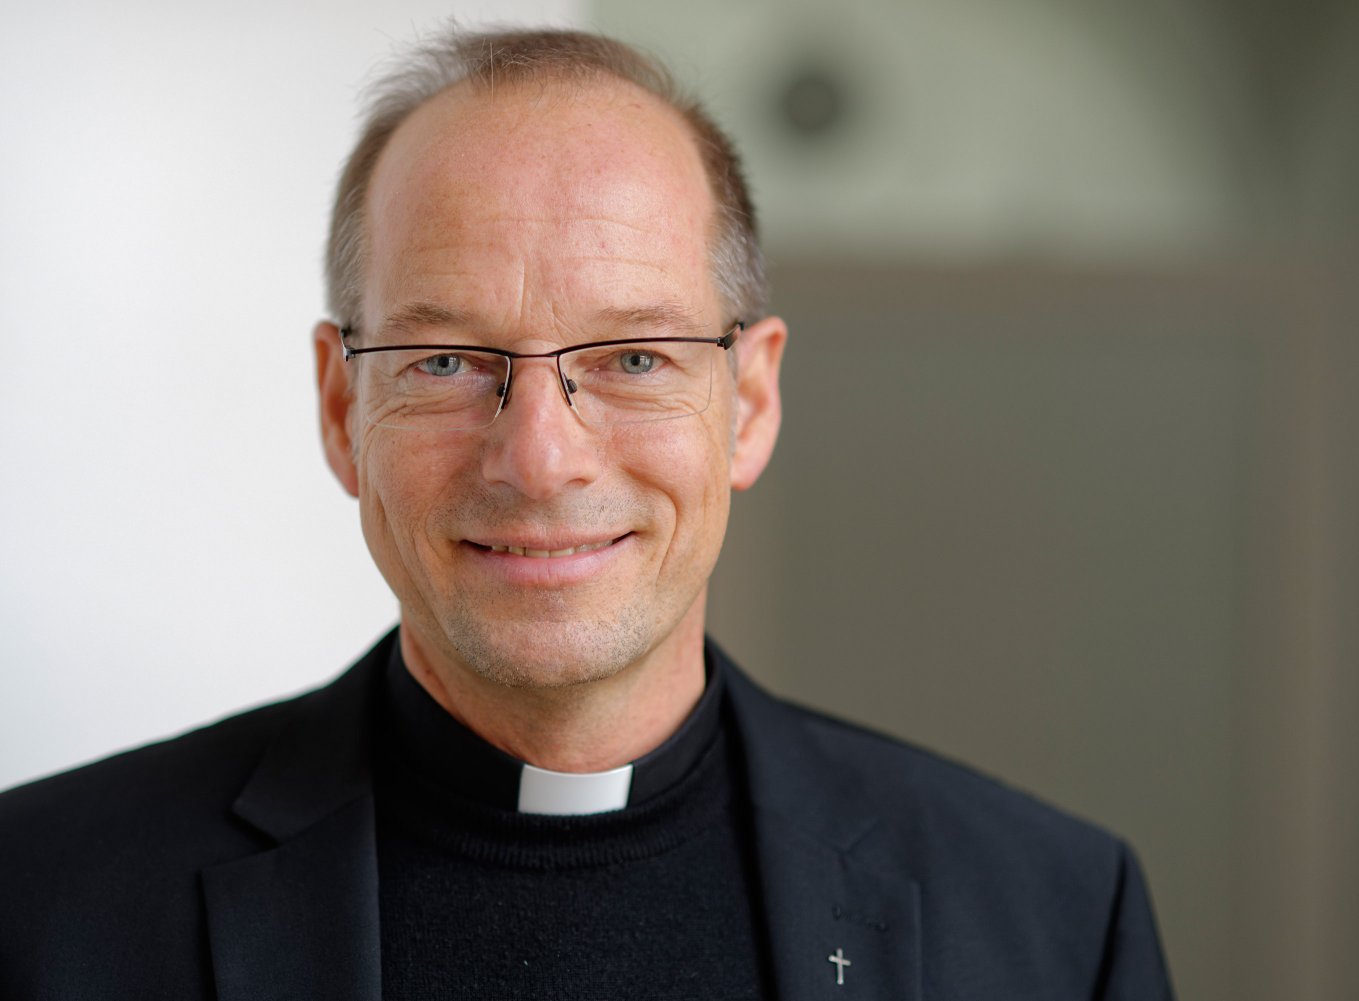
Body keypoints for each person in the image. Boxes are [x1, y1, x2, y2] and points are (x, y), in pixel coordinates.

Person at [0, 26, 1173, 1000]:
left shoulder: (1054, 919)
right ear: (341, 404)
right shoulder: (40, 902)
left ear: (750, 402)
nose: (540, 459)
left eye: (634, 356)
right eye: (446, 359)